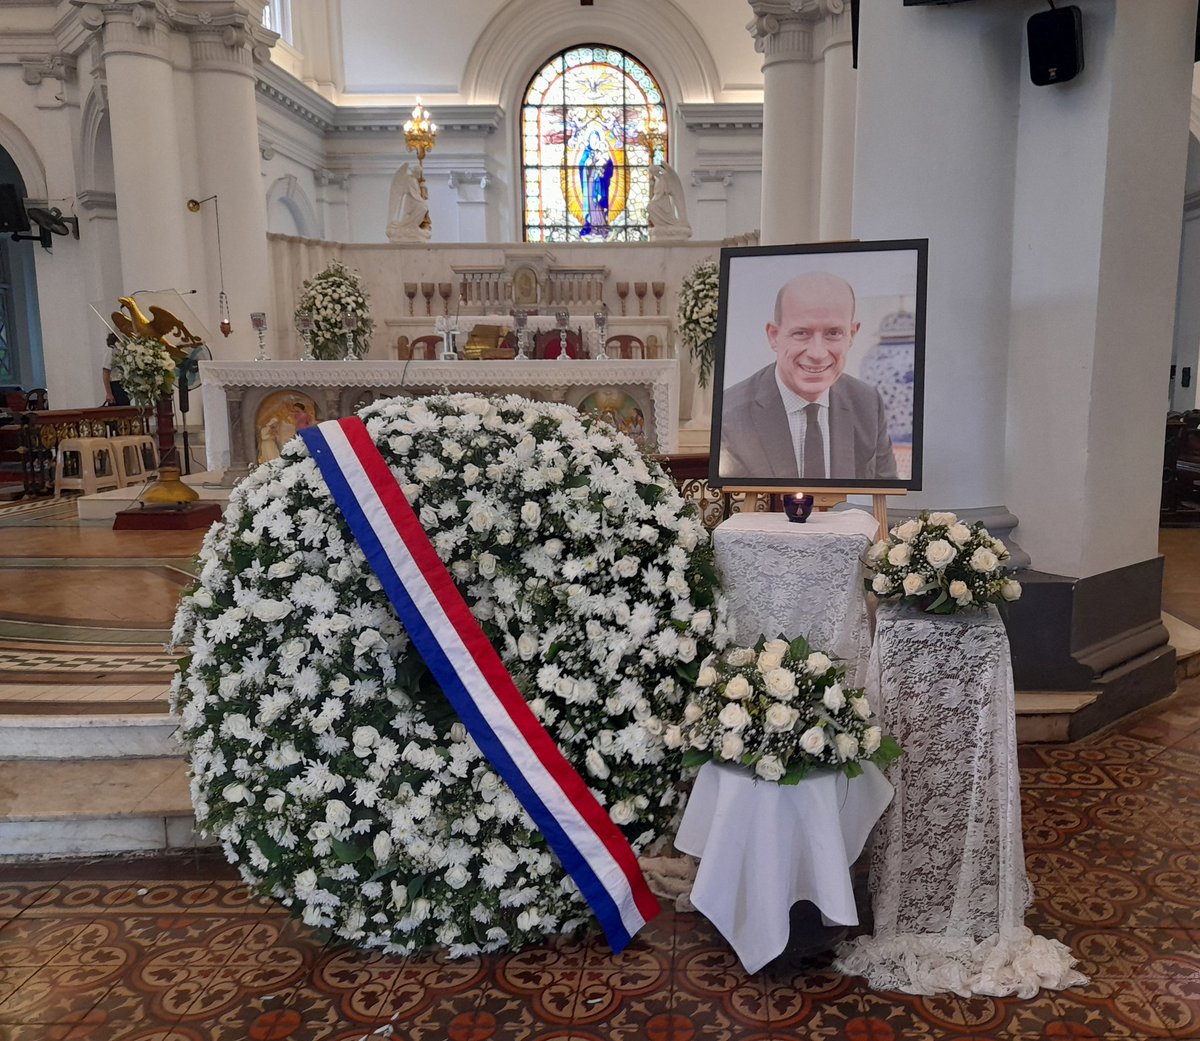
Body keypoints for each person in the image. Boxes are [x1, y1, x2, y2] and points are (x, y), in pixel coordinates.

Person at [719, 272, 898, 482]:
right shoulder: (730, 414)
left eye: (833, 333)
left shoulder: (867, 403)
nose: (817, 353)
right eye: (801, 333)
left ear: (852, 334)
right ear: (774, 336)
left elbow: (887, 494)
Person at [579, 130, 614, 239]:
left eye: (596, 139)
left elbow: (610, 168)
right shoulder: (586, 153)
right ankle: (591, 224)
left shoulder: (603, 153)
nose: (594, 141)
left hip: (601, 184)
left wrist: (604, 166)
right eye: (592, 139)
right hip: (589, 184)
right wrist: (587, 165)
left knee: (600, 203)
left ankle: (602, 224)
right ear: (588, 140)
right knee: (591, 202)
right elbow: (581, 167)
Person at [385, 162, 431, 243]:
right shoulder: (410, 179)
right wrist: (422, 201)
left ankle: (412, 225)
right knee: (423, 208)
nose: (419, 175)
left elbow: (417, 193)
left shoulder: (414, 180)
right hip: (410, 201)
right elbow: (414, 193)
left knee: (423, 208)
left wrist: (423, 188)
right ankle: (407, 225)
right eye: (419, 173)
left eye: (420, 173)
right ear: (415, 172)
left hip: (414, 200)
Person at [101, 332, 129, 406]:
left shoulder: (124, 352)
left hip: (124, 386)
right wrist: (109, 393)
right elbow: (106, 373)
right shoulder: (111, 351)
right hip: (116, 385)